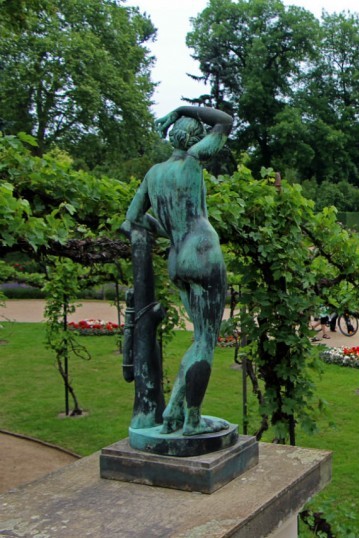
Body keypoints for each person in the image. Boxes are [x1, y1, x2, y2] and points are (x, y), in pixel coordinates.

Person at [122, 106, 232, 436]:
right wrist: (181, 109)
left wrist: (170, 231)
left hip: (177, 256)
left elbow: (132, 220)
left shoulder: (154, 174)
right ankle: (193, 421)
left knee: (198, 341)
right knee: (205, 342)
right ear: (196, 139)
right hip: (202, 251)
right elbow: (225, 121)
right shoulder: (194, 160)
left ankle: (173, 412)